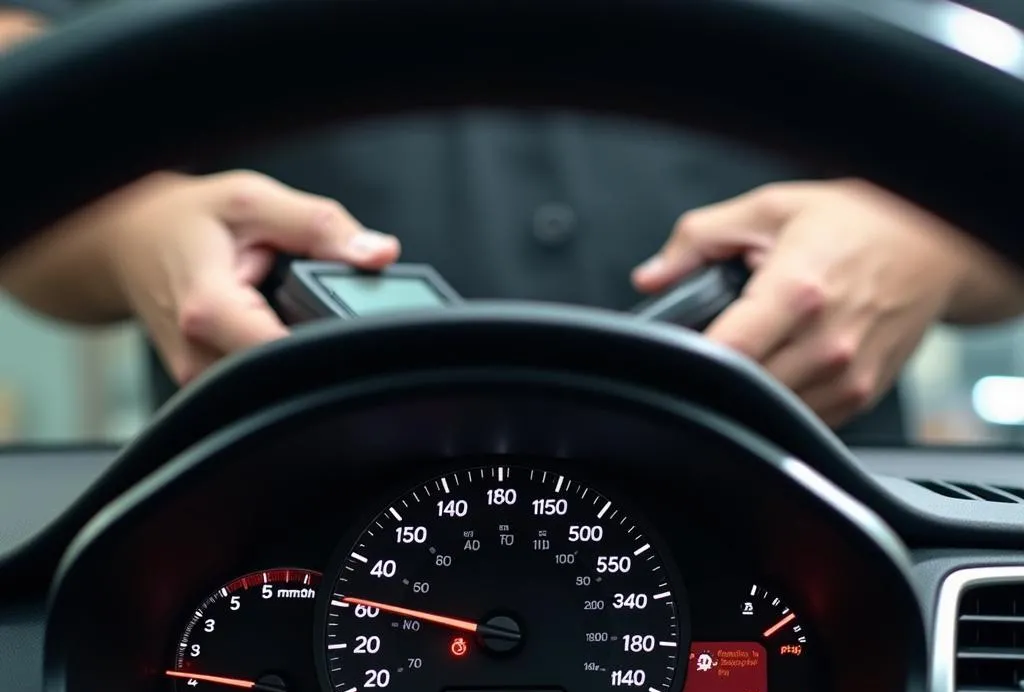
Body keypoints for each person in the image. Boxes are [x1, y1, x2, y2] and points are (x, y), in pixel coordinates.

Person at [2, 0, 1024, 443]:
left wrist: (922, 237)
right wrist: (137, 224)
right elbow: (26, 78)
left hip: (800, 521)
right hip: (269, 536)